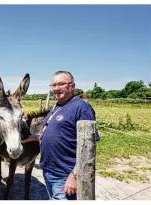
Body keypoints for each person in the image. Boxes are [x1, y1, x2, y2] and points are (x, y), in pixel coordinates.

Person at [37, 71, 100, 200]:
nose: (56, 88)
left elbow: (88, 148)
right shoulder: (57, 106)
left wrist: (75, 176)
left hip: (65, 175)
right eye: (53, 85)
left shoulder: (82, 107)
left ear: (72, 86)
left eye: (61, 84)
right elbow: (54, 133)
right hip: (49, 171)